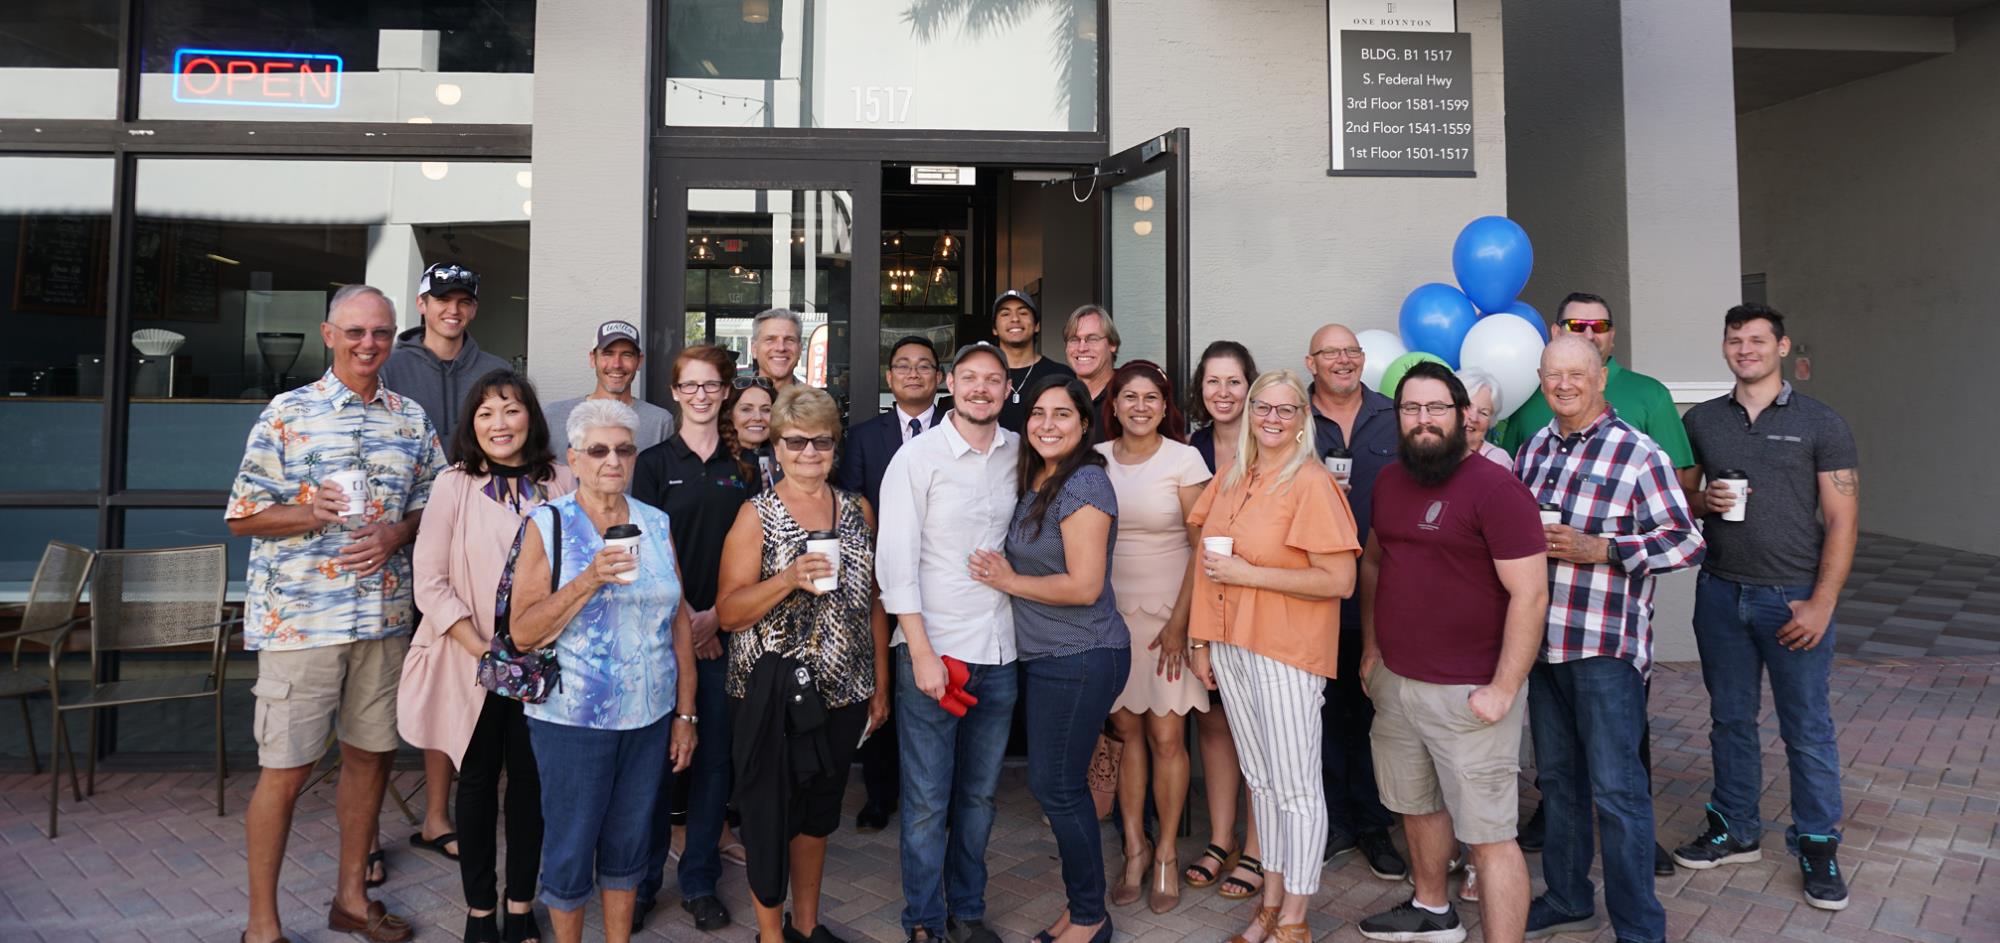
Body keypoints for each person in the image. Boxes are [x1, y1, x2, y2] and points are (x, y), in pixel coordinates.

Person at [227, 284, 445, 943]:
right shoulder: (286, 414)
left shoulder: (411, 419)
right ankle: (261, 924)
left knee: (371, 755)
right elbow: (242, 517)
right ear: (329, 335)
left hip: (380, 618)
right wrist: (308, 511)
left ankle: (352, 898)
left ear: (393, 336)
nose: (367, 343)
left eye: (379, 332)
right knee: (287, 769)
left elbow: (435, 506)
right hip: (301, 623)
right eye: (354, 332)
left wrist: (396, 534)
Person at [1512, 336, 1705, 943]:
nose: (1563, 385)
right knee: (1559, 783)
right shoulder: (1534, 450)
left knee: (1618, 792)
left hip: (1605, 649)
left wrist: (1608, 549)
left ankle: (1640, 926)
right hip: (1542, 645)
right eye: (1552, 375)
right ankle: (1569, 897)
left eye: (1576, 374)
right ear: (1540, 380)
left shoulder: (1638, 453)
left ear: (1600, 380)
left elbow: (1688, 540)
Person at [1352, 361, 1548, 943]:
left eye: (1436, 408)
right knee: (1415, 805)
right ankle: (1433, 909)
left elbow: (1530, 594)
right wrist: (1371, 650)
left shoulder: (1497, 489)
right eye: (1411, 409)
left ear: (1464, 416)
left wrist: (1505, 689)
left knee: (1490, 837)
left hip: (1471, 693)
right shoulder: (1389, 482)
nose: (1423, 420)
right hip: (1397, 681)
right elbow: (1373, 563)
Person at [1673, 304, 1858, 912]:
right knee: (1730, 719)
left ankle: (1817, 843)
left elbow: (1842, 519)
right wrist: (1702, 499)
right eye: (1735, 340)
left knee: (1806, 729)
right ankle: (1735, 829)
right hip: (1722, 591)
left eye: (1757, 340)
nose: (1745, 349)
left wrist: (1822, 603)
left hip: (1793, 597)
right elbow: (1682, 498)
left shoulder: (1820, 422)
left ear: (1781, 347)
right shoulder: (1702, 420)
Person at [507, 399, 699, 943]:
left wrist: (686, 713)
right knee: (570, 845)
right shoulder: (549, 523)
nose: (612, 460)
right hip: (573, 719)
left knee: (631, 844)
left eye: (623, 449)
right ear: (574, 458)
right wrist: (589, 578)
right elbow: (523, 631)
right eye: (598, 450)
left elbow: (679, 620)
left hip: (649, 716)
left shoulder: (655, 522)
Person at [1188, 369, 1361, 943]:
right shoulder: (1236, 476)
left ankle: (1293, 918)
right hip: (1234, 645)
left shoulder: (1310, 481)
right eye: (1264, 407)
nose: (1271, 418)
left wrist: (1250, 574)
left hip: (1286, 650)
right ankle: (1271, 901)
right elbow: (1202, 561)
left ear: (1302, 421)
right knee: (1261, 782)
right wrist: (1200, 639)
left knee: (1296, 788)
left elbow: (1339, 578)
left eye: (1286, 410)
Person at [403, 370, 575, 943]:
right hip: (470, 658)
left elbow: (578, 573)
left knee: (530, 785)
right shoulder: (454, 484)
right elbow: (428, 580)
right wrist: (485, 651)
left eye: (510, 410)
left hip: (542, 665)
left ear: (531, 416)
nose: (498, 424)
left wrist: (531, 648)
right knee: (475, 782)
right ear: (472, 426)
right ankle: (480, 910)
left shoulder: (563, 482)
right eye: (485, 414)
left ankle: (521, 905)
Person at [717, 385, 892, 943]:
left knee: (819, 813)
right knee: (772, 816)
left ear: (835, 445)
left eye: (821, 440)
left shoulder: (857, 508)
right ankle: (771, 935)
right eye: (796, 441)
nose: (810, 452)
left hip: (843, 691)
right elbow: (728, 612)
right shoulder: (757, 515)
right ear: (777, 446)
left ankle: (807, 927)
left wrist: (880, 685)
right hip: (773, 695)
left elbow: (873, 601)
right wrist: (788, 578)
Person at [971, 375, 1128, 943]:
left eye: (1062, 414)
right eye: (1038, 413)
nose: (1047, 424)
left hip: (1082, 652)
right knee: (1060, 787)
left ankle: (1090, 918)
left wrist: (1009, 579)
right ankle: (1079, 908)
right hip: (1052, 656)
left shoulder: (1085, 482)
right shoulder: (1038, 478)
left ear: (1085, 425)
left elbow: (1085, 586)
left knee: (1058, 788)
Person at [876, 342, 1021, 943]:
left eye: (993, 380)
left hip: (1002, 650)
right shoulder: (918, 457)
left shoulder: (1022, 452)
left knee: (981, 798)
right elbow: (896, 563)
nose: (981, 389)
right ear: (949, 385)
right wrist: (920, 652)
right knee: (928, 801)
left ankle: (967, 910)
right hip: (936, 652)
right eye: (969, 378)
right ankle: (925, 921)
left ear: (1007, 389)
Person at [378, 261, 511, 865]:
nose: (451, 309)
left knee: (454, 685)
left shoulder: (494, 371)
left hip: (460, 556)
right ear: (422, 304)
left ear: (473, 308)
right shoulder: (390, 367)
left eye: (462, 299)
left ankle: (436, 815)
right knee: (380, 696)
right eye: (441, 299)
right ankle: (367, 840)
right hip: (388, 553)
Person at [629, 346, 754, 934]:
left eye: (713, 385)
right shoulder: (653, 463)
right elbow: (645, 549)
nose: (702, 395)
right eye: (690, 385)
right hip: (664, 635)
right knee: (657, 766)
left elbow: (760, 550)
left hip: (729, 635)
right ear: (675, 392)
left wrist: (717, 620)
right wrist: (689, 621)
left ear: (725, 391)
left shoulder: (746, 463)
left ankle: (700, 880)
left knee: (714, 765)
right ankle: (645, 880)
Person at [1094, 360, 1211, 914]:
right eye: (1129, 397)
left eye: (1152, 398)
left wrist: (1180, 626)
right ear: (1112, 405)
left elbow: (1203, 548)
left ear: (1166, 408)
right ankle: (1135, 847)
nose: (1140, 406)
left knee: (1167, 737)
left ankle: (1166, 851)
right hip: (1110, 618)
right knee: (1126, 732)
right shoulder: (1093, 461)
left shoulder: (1184, 460)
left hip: (1169, 617)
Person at [1302, 323, 1406, 880]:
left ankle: (1373, 825)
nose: (1343, 360)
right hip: (1313, 592)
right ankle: (1334, 822)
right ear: (1310, 362)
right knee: (1319, 713)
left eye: (1352, 351)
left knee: (1373, 711)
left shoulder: (1394, 415)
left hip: (1382, 593)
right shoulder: (1291, 417)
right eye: (1331, 353)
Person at [834, 335, 946, 832]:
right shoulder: (862, 436)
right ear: (890, 378)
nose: (914, 374)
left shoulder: (958, 427)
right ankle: (880, 794)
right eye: (904, 366)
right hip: (881, 578)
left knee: (939, 687)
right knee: (884, 682)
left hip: (946, 577)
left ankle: (942, 795)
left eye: (925, 366)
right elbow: (853, 502)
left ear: (940, 378)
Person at [1182, 341, 1268, 902]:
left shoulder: (1275, 445)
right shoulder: (1190, 449)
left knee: (1260, 733)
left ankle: (1259, 850)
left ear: (1251, 387)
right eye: (1212, 382)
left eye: (1233, 381)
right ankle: (1221, 840)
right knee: (1214, 725)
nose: (1223, 392)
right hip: (1208, 606)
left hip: (1263, 609)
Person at [544, 320, 676, 460]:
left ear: (639, 362)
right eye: (608, 353)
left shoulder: (659, 422)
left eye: (627, 355)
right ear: (593, 359)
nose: (616, 364)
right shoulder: (554, 416)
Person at [991, 289, 1075, 433]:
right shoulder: (982, 377)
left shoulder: (1061, 375)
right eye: (1005, 314)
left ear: (1037, 325)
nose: (1015, 319)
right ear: (994, 329)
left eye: (1023, 313)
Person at [1063, 304, 1120, 422]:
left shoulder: (1130, 396)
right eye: (1074, 339)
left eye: (1092, 339)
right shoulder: (1059, 398)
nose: (1082, 348)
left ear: (1112, 344)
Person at [726, 377, 779, 487]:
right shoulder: (714, 461)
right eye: (746, 409)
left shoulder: (785, 456)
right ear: (729, 415)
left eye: (766, 410)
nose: (758, 417)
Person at [1456, 368, 1512, 468]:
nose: (1473, 418)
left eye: (1483, 413)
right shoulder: (1430, 449)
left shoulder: (1497, 460)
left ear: (1491, 421)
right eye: (1466, 406)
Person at [750, 308, 803, 389]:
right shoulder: (733, 399)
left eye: (789, 340)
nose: (781, 348)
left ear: (800, 350)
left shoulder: (817, 400)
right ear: (754, 349)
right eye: (770, 339)